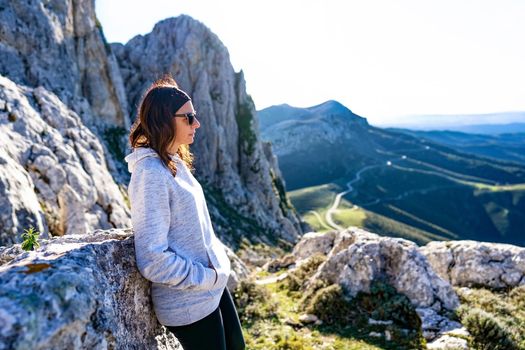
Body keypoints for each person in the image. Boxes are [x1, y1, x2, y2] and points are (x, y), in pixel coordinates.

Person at [124, 76, 246, 350]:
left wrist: (215, 272)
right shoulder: (151, 174)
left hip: (210, 289)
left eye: (195, 116)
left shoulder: (173, 161)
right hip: (189, 302)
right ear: (164, 120)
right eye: (188, 118)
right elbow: (152, 259)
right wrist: (205, 277)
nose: (197, 123)